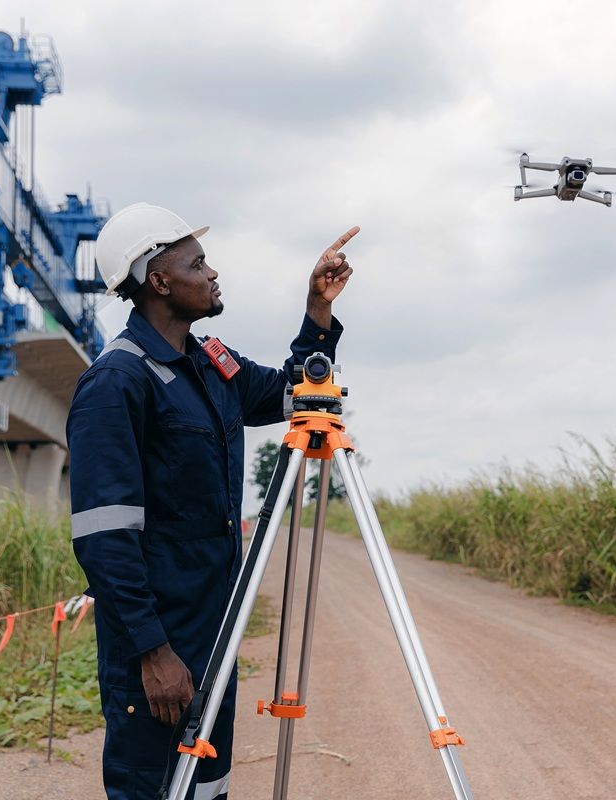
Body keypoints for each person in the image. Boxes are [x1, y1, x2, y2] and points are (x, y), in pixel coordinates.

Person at [67, 202, 358, 799]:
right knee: (154, 789)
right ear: (160, 280)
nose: (213, 272)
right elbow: (104, 538)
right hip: (161, 649)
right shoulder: (117, 382)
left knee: (207, 789)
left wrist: (317, 312)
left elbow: (291, 395)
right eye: (198, 263)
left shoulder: (210, 367)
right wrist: (153, 653)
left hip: (214, 635)